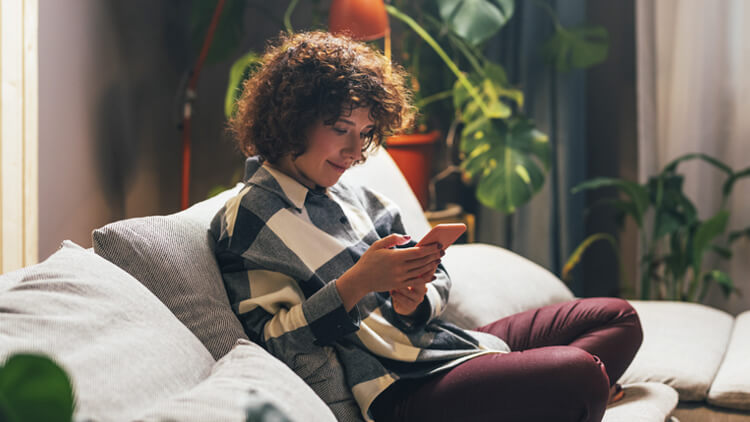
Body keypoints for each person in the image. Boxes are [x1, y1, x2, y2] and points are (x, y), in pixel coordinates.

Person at [211, 31, 642, 422]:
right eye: (340, 129)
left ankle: (545, 397)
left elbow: (436, 275)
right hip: (402, 386)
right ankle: (567, 393)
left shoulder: (359, 196)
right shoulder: (250, 217)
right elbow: (270, 346)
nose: (353, 150)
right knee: (581, 374)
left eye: (364, 133)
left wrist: (413, 299)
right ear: (290, 119)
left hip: (440, 343)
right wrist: (354, 285)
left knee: (618, 318)